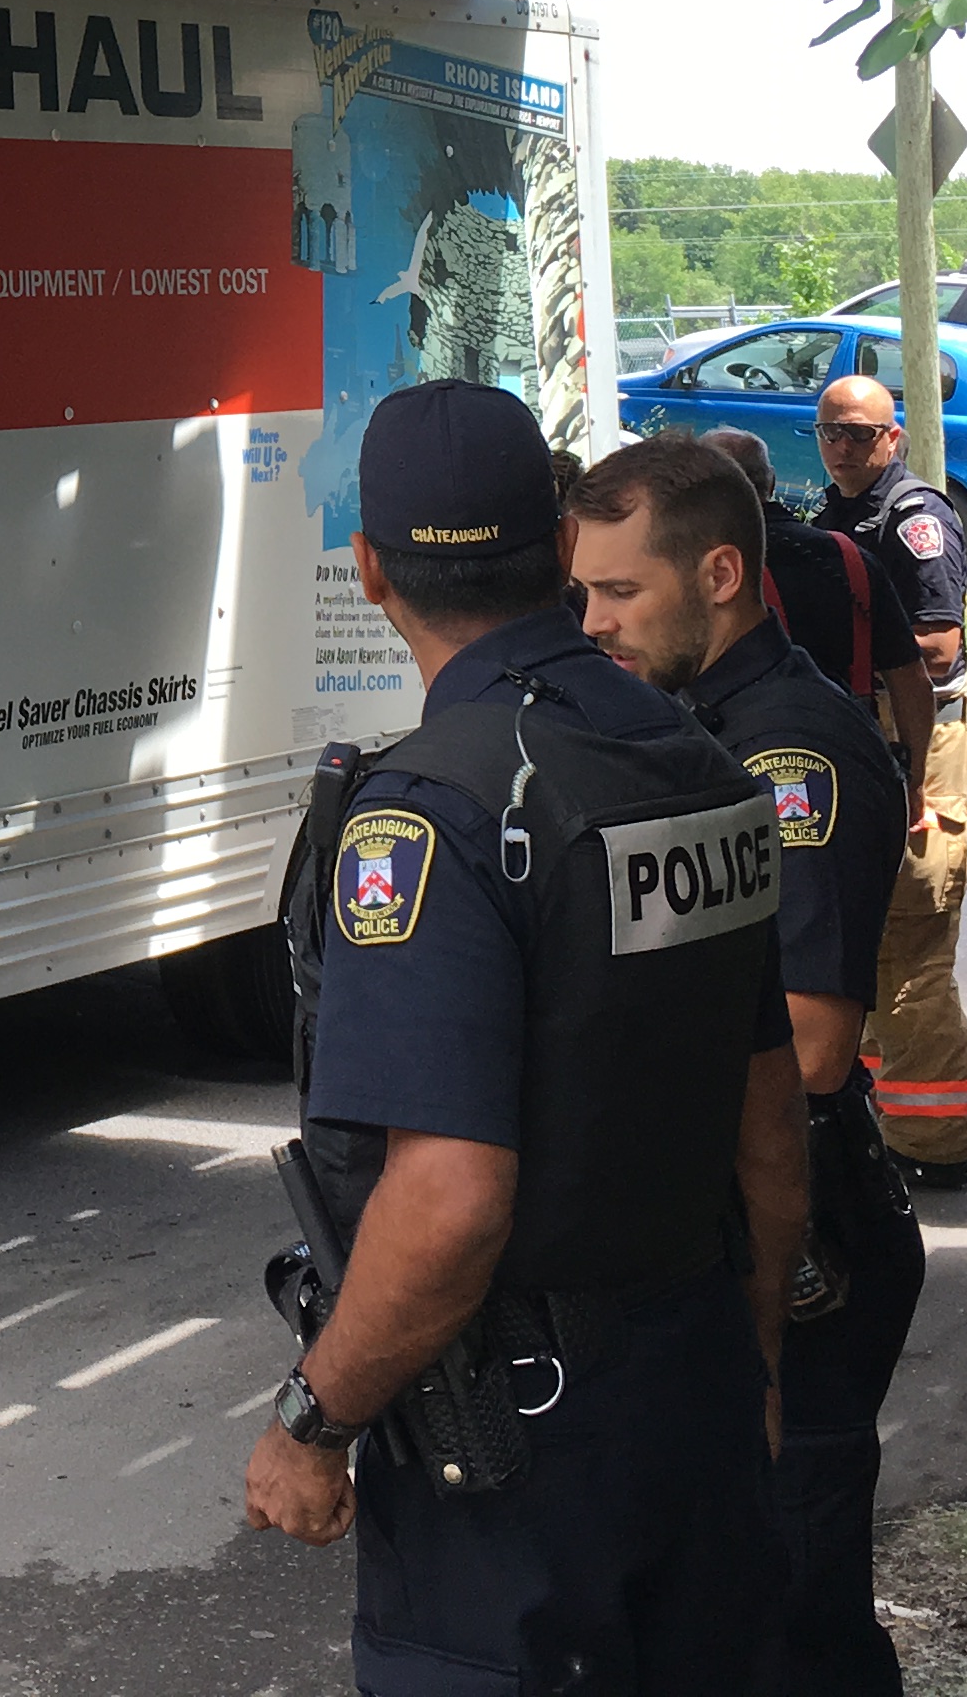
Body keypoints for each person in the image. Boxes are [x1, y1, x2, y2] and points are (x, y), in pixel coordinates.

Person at [246, 382, 808, 1696]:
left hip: (521, 1451)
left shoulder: (427, 814)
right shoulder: (705, 765)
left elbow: (446, 1202)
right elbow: (770, 1130)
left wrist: (311, 1418)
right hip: (695, 1388)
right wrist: (759, 1360)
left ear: (369, 569)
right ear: (562, 549)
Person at [572, 436, 924, 1697]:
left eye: (621, 594)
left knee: (797, 1614)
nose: (595, 623)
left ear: (720, 573)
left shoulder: (790, 756)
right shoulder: (697, 725)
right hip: (736, 1224)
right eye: (583, 596)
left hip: (813, 1228)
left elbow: (815, 1042)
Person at [811, 372, 967, 1189]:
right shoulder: (841, 516)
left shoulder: (914, 520)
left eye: (857, 434)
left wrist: (860, 671)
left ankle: (935, 1143)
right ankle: (885, 1124)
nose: (841, 448)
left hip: (920, 741)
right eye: (829, 433)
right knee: (873, 943)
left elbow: (939, 646)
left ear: (893, 438)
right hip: (869, 743)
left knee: (913, 948)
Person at [700, 425, 936, 818]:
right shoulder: (850, 558)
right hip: (856, 759)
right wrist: (913, 780)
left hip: (745, 768)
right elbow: (912, 682)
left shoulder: (710, 574)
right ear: (772, 482)